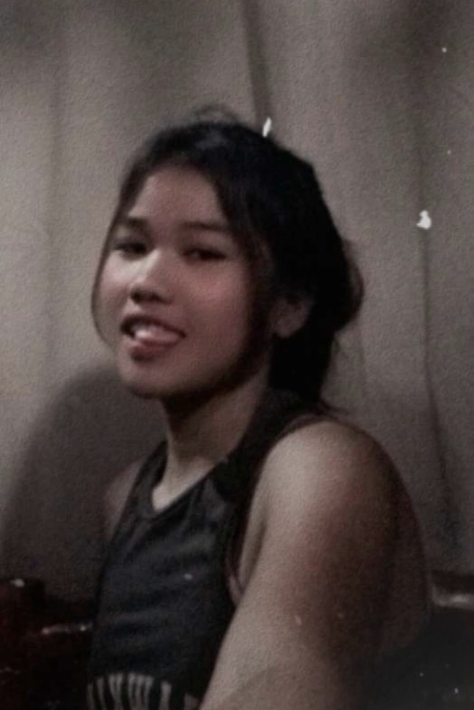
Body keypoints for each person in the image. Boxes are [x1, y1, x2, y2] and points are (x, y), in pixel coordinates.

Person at [86, 116, 428, 710]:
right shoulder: (123, 500)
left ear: (289, 305)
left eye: (202, 252)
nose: (146, 281)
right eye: (133, 246)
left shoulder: (320, 469)